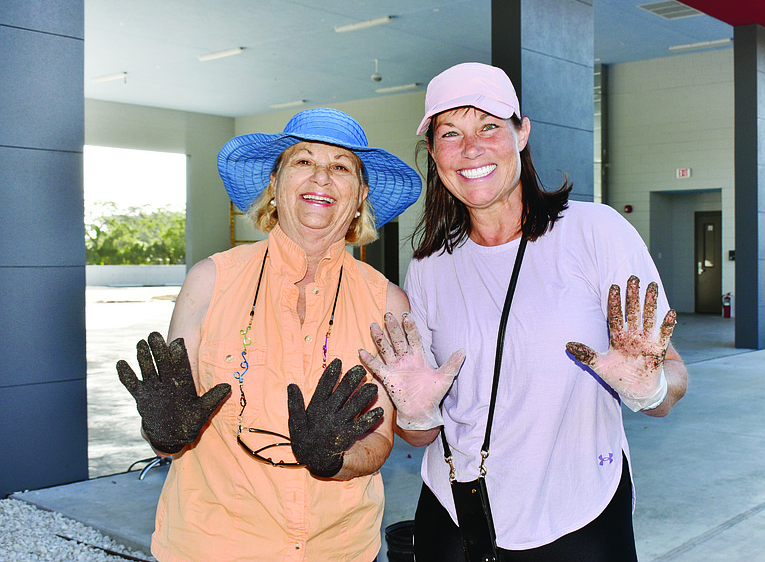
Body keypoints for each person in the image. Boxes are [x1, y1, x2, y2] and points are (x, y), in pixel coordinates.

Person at [360, 63, 688, 561]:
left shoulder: (596, 233)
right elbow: (420, 432)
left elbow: (669, 380)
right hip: (456, 512)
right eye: (450, 133)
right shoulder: (428, 266)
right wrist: (414, 411)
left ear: (522, 131)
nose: (471, 149)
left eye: (489, 126)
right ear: (433, 152)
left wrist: (651, 387)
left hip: (582, 511)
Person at [116, 107, 421, 562]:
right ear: (275, 185)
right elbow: (176, 419)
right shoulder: (209, 280)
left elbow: (378, 442)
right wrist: (164, 434)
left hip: (337, 550)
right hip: (212, 546)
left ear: (360, 197)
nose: (321, 176)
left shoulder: (388, 303)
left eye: (341, 167)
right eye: (303, 161)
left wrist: (334, 460)